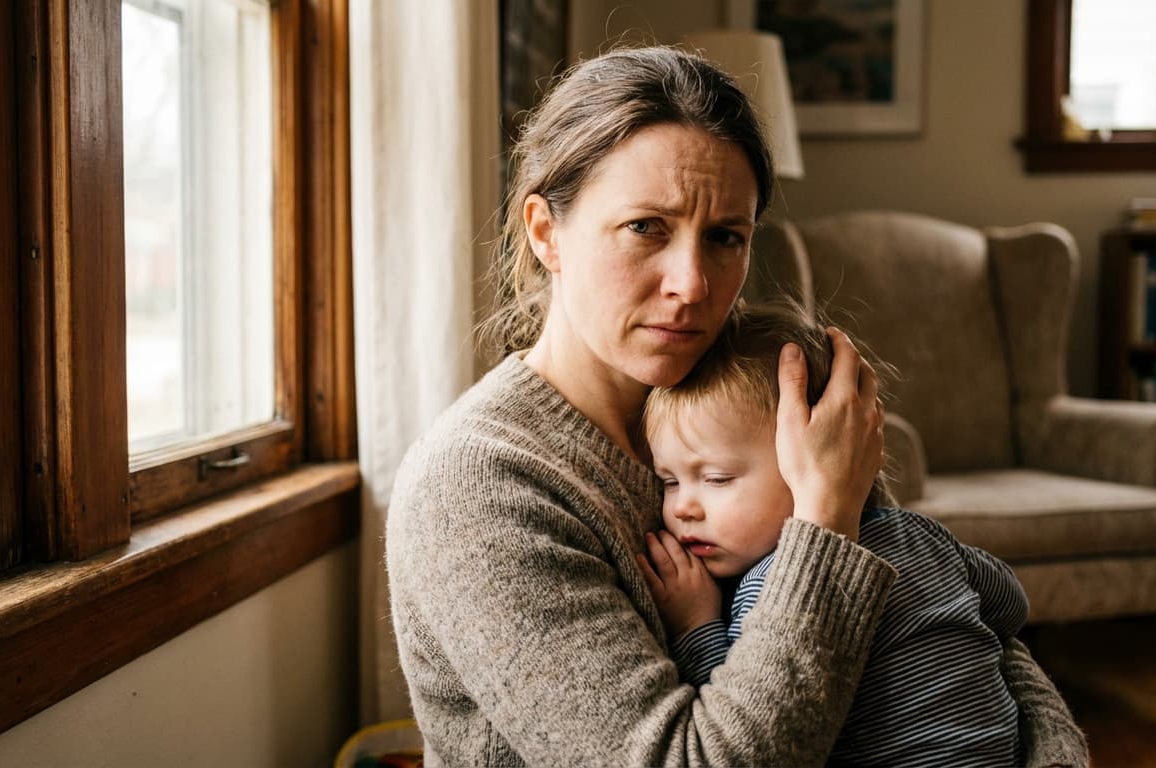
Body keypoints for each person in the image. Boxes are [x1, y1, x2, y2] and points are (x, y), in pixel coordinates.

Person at [385, 44, 1087, 766]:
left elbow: (959, 639)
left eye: (725, 238)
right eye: (645, 228)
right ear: (545, 233)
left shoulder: (766, 401)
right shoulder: (476, 490)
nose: (692, 283)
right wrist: (824, 526)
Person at [640, 300, 1030, 766]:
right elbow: (1009, 605)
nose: (683, 507)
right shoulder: (924, 537)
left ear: (825, 455)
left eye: (718, 478)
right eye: (669, 481)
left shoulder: (769, 594)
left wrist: (695, 626)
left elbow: (739, 725)